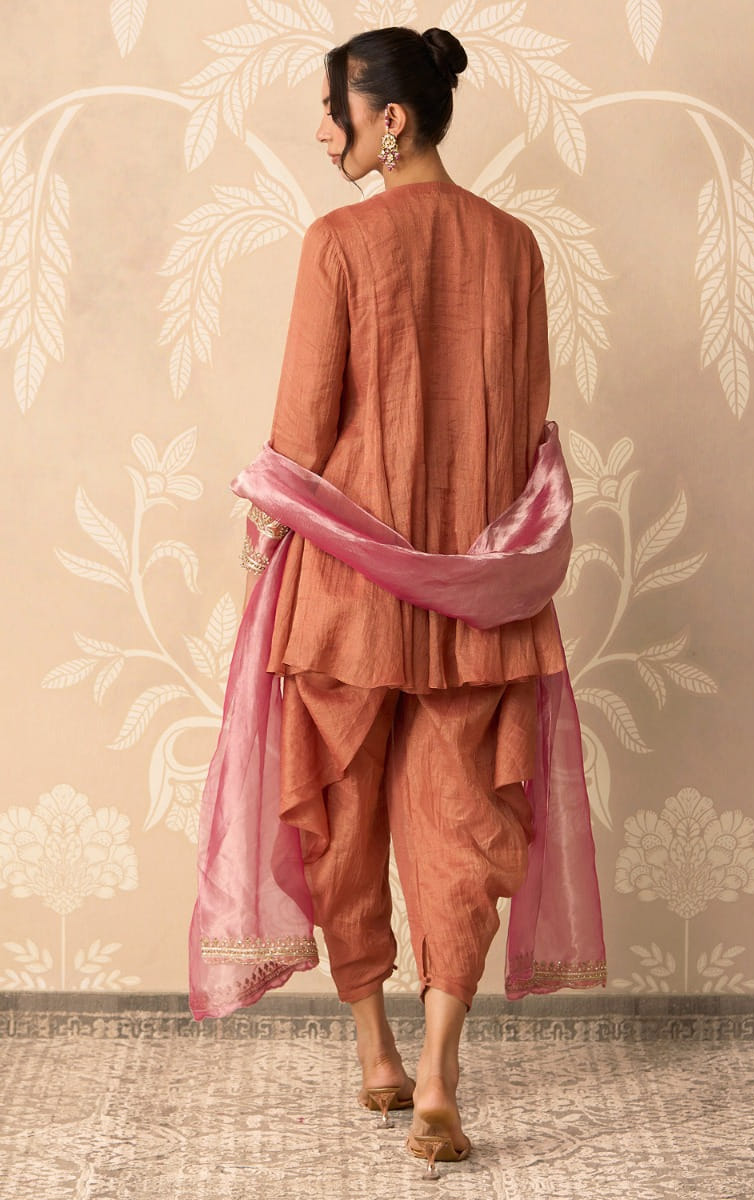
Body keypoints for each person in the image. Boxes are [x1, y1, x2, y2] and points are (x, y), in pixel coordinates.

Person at [190, 25, 606, 1179]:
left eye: (333, 110)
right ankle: (433, 1077)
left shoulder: (337, 243)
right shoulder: (514, 247)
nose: (321, 132)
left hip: (349, 588)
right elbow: (521, 420)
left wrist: (260, 538)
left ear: (389, 119)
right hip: (479, 589)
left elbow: (300, 428)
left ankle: (374, 1050)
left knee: (340, 812)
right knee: (463, 822)